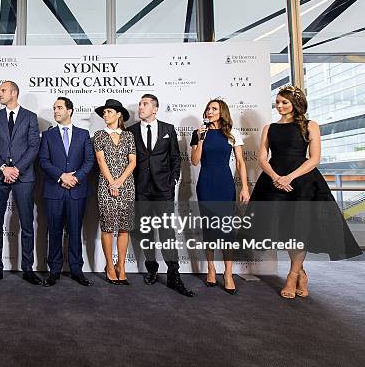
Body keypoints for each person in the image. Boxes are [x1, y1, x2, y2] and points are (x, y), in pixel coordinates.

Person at [247, 86, 362, 299]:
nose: (279, 106)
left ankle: (292, 275)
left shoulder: (311, 125)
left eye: (284, 102)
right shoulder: (269, 127)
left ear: (295, 104)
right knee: (286, 230)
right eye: (278, 102)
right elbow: (262, 158)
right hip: (274, 182)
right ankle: (300, 271)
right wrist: (276, 177)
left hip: (303, 183)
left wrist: (289, 177)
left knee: (300, 229)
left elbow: (314, 158)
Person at [128, 94, 194, 297]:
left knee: (167, 232)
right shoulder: (130, 131)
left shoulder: (168, 129)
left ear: (155, 109)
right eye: (140, 104)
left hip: (163, 189)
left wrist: (173, 179)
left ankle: (174, 275)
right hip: (141, 189)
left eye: (145, 104)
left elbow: (175, 157)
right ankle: (151, 268)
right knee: (144, 230)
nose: (141, 107)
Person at [0, 80, 42, 287]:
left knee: (27, 225)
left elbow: (34, 147)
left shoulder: (31, 117)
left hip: (24, 177)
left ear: (14, 93)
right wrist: (4, 169)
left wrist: (17, 170)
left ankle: (28, 269)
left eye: (3, 90)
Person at [191, 99, 249, 295]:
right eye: (208, 108)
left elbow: (240, 162)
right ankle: (211, 268)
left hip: (225, 184)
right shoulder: (199, 133)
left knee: (226, 230)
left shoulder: (232, 133)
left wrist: (245, 188)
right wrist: (200, 139)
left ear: (222, 111)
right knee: (209, 227)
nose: (209, 111)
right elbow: (195, 161)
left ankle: (228, 273)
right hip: (205, 184)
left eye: (214, 108)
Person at [39, 97, 95, 287]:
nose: (55, 111)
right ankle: (54, 271)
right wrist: (61, 176)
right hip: (54, 190)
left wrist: (75, 178)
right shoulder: (47, 136)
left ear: (70, 111)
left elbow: (89, 161)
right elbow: (44, 161)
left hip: (77, 191)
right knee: (54, 232)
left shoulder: (83, 134)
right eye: (54, 108)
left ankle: (76, 270)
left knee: (75, 231)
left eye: (59, 107)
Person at [93, 99, 136, 285]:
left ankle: (122, 266)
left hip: (126, 186)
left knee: (125, 227)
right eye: (104, 112)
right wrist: (112, 183)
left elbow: (133, 162)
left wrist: (119, 182)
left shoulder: (129, 136)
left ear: (119, 114)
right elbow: (101, 161)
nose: (105, 114)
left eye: (109, 111)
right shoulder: (99, 135)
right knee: (108, 227)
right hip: (106, 185)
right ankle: (110, 266)